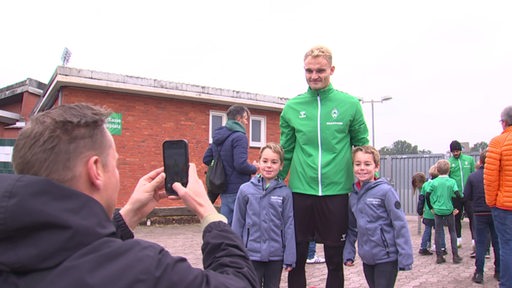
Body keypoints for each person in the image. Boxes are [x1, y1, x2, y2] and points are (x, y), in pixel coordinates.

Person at [0, 103, 258, 287]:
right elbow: (239, 282)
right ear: (96, 170)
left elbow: (67, 248)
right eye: (115, 164)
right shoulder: (141, 269)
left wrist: (127, 216)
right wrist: (208, 214)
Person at [279, 45, 369, 288]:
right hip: (300, 192)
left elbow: (362, 147)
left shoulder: (350, 104)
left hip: (336, 192)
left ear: (332, 69)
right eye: (309, 70)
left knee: (334, 260)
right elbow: (284, 151)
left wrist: (370, 184)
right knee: (296, 260)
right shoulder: (292, 108)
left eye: (320, 70)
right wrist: (270, 184)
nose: (314, 76)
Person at [344, 145, 413, 288]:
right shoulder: (353, 196)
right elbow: (351, 228)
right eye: (358, 164)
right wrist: (349, 253)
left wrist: (405, 257)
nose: (362, 168)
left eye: (367, 164)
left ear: (376, 167)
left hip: (386, 258)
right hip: (367, 259)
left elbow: (400, 224)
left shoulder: (386, 192)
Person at [232, 142, 296, 288]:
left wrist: (290, 256)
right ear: (259, 162)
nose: (269, 165)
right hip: (251, 254)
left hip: (275, 256)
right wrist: (236, 253)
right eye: (265, 161)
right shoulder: (245, 190)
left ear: (281, 166)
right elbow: (237, 223)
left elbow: (289, 225)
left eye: (274, 162)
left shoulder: (285, 193)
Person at [203, 105, 258, 225]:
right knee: (240, 226)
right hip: (237, 188)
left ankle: (224, 244)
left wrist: (221, 167)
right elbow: (240, 165)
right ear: (238, 119)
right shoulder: (239, 137)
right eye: (245, 118)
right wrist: (255, 168)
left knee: (226, 224)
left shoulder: (218, 136)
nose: (247, 122)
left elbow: (206, 159)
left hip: (222, 187)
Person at [484, 105, 512, 288]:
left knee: (507, 247)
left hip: (505, 206)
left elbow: (490, 177)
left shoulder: (498, 142)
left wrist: (492, 202)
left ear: (504, 123)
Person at [464, 149, 500, 284]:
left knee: (481, 243)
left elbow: (466, 196)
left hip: (479, 213)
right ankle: (499, 271)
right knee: (497, 242)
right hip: (495, 211)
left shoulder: (473, 177)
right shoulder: (497, 176)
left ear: (480, 161)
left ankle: (479, 273)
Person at [426, 159, 463, 265]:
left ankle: (439, 256)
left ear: (437, 169)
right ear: (448, 170)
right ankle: (455, 256)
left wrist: (431, 207)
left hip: (437, 210)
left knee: (437, 232)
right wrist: (457, 208)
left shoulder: (434, 182)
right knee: (452, 231)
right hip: (448, 209)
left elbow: (427, 195)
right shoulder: (452, 182)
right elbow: (458, 195)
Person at [448, 140, 476, 249]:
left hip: (468, 195)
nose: (455, 153)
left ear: (460, 150)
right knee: (456, 218)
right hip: (456, 196)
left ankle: (474, 240)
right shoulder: (449, 162)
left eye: (457, 151)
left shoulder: (469, 160)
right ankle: (458, 239)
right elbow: (449, 179)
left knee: (472, 217)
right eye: (453, 151)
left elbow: (473, 175)